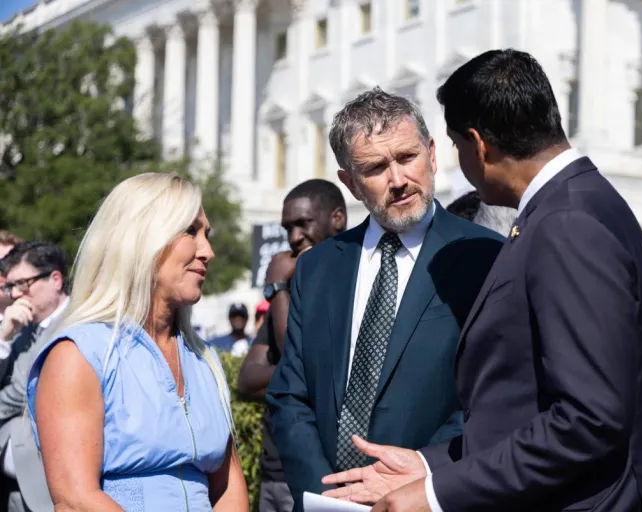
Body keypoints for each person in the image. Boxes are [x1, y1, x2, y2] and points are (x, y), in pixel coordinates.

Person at [322, 49, 642, 512]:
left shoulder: (568, 222)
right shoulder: (568, 207)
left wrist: (435, 494)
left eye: (452, 145)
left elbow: (589, 419)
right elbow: (522, 405)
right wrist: (430, 466)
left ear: (478, 145)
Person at [266, 87, 504, 511]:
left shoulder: (486, 256)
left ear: (432, 154)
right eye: (376, 168)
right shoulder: (318, 269)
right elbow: (291, 398)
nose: (397, 181)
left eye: (407, 158)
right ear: (350, 183)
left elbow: (493, 398)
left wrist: (416, 483)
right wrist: (330, 498)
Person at [25, 173, 249, 510]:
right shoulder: (78, 355)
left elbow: (228, 484)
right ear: (142, 239)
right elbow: (76, 499)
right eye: (190, 231)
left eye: (207, 234)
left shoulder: (204, 360)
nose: (208, 251)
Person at [238, 178, 347, 512]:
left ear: (337, 219)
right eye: (288, 228)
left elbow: (299, 363)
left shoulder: (350, 287)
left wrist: (277, 288)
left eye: (303, 224)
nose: (294, 238)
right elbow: (247, 380)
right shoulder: (294, 289)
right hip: (275, 474)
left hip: (324, 477)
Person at [0, 242, 69, 512]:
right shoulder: (18, 328)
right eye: (11, 286)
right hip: (16, 490)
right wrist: (4, 337)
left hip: (49, 486)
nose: (17, 294)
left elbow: (22, 391)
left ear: (55, 279)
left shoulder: (79, 325)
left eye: (24, 284)